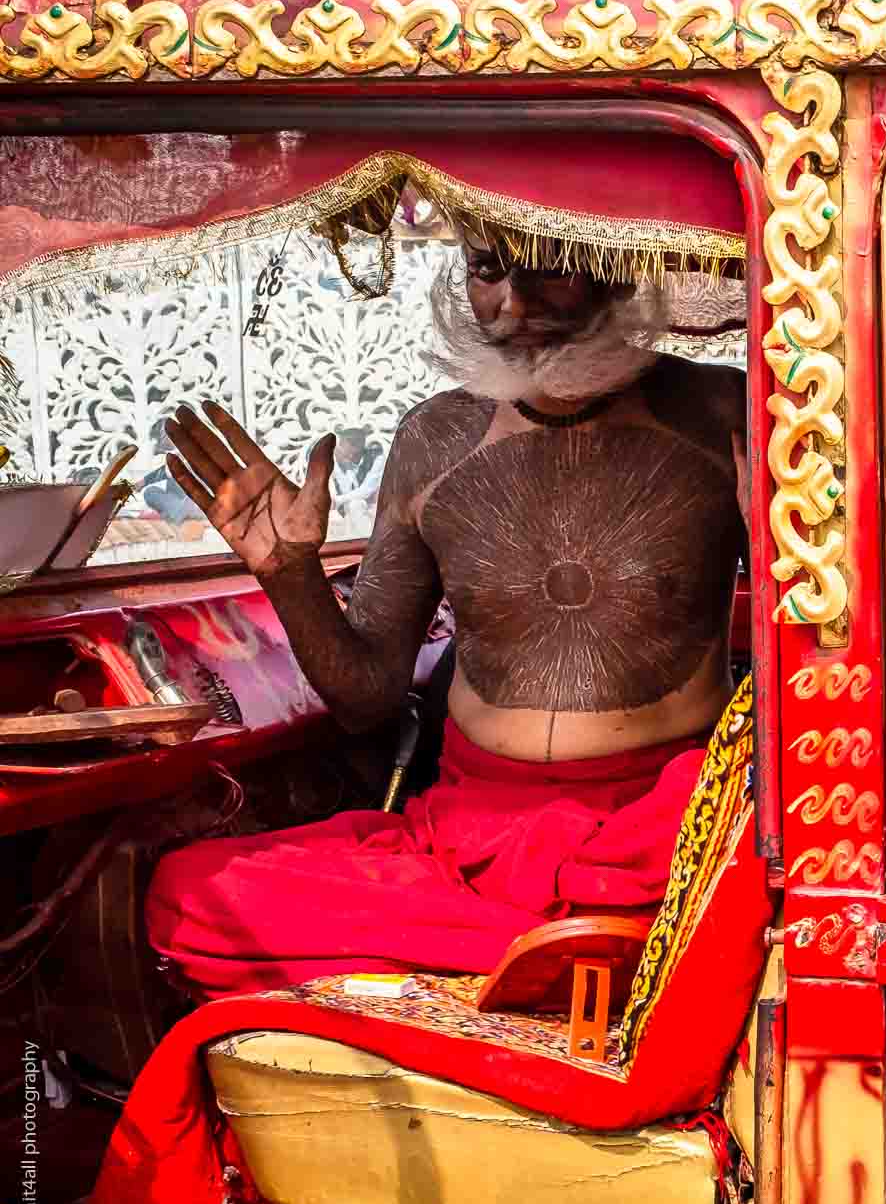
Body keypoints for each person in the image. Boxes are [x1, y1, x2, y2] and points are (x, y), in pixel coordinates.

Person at [145, 232, 751, 998]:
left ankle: (558, 956)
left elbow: (814, 641)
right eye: (487, 270)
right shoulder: (432, 437)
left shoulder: (722, 411)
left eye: (551, 270)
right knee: (192, 894)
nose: (515, 304)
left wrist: (774, 544)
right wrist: (290, 575)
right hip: (462, 839)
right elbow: (366, 699)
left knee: (748, 876)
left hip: (654, 834)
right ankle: (573, 960)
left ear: (617, 265)